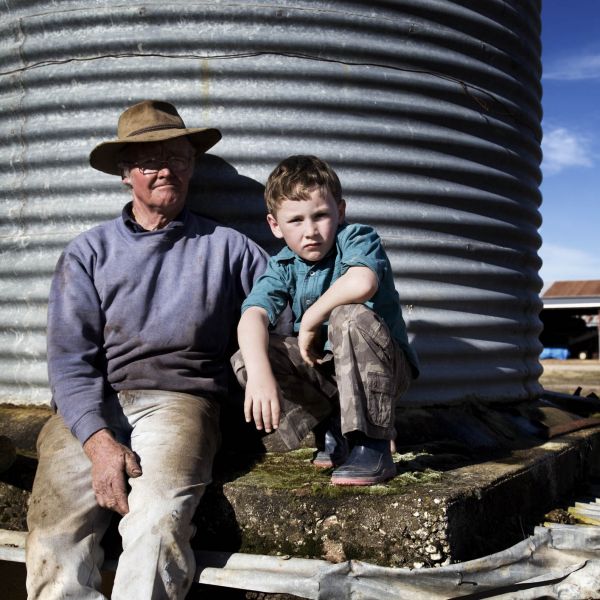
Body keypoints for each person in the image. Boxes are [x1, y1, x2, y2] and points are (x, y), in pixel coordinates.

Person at [25, 100, 269, 599]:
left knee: (157, 523)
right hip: (92, 403)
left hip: (180, 401)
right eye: (150, 161)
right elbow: (69, 359)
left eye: (178, 158)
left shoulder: (228, 247)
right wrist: (97, 441)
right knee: (54, 535)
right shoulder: (88, 253)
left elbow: (285, 309)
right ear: (125, 174)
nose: (167, 171)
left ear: (192, 167)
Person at [232, 155, 419, 486]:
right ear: (275, 225)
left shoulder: (356, 238)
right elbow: (252, 316)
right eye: (295, 220)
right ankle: (333, 426)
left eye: (320, 216)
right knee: (248, 356)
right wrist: (260, 374)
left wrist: (312, 318)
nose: (311, 231)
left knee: (348, 316)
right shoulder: (283, 265)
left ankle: (372, 444)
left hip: (384, 369)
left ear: (340, 211)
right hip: (328, 370)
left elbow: (362, 282)